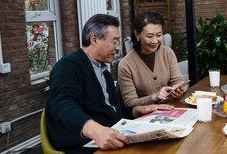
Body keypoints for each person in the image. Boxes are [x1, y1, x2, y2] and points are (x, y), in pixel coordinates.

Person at [45, 14, 173, 154]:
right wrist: (97, 131)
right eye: (114, 42)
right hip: (85, 145)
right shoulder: (68, 66)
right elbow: (63, 106)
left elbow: (112, 111)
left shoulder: (103, 70)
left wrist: (138, 110)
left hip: (113, 135)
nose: (118, 48)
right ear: (94, 39)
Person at [118, 11, 186, 107]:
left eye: (159, 35)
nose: (155, 41)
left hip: (171, 109)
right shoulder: (126, 65)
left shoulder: (167, 53)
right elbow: (130, 103)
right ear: (137, 35)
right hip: (145, 117)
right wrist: (154, 97)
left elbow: (178, 80)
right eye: (149, 36)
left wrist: (179, 88)